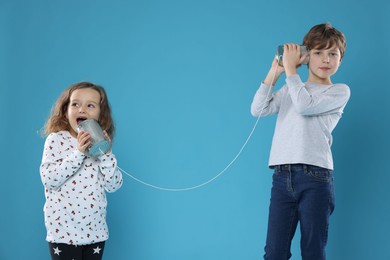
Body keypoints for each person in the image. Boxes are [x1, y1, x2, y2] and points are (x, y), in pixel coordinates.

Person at [250, 23, 350, 259]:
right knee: (274, 251)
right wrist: (276, 71)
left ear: (340, 60)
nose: (326, 59)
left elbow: (305, 106)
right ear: (306, 57)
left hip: (316, 178)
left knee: (312, 250)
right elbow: (258, 109)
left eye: (333, 54)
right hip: (282, 175)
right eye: (318, 52)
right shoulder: (291, 88)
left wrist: (292, 72)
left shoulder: (339, 92)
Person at [40, 82, 123, 260]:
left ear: (101, 115)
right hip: (63, 233)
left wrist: (106, 155)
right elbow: (49, 179)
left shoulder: (101, 146)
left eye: (90, 105)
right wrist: (78, 153)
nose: (82, 109)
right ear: (65, 110)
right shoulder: (56, 140)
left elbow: (114, 185)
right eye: (75, 104)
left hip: (95, 233)